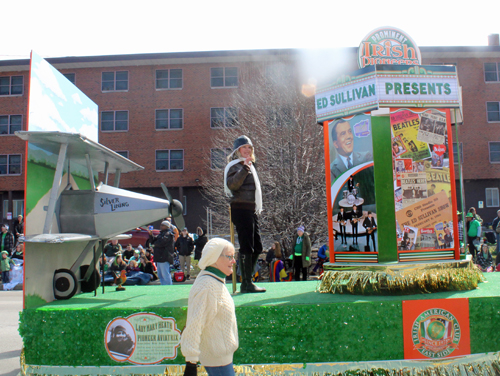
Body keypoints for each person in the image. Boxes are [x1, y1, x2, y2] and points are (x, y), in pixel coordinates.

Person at [180, 238, 238, 376]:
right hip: (218, 362)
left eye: (233, 257)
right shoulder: (207, 287)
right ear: (215, 258)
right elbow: (195, 324)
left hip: (221, 360)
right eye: (230, 257)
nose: (234, 261)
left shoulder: (215, 281)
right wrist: (191, 362)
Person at [225, 135, 265, 293]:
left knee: (258, 246)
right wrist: (245, 168)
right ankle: (246, 283)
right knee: (246, 246)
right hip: (240, 208)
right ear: (237, 150)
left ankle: (248, 280)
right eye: (244, 147)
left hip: (251, 209)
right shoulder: (234, 166)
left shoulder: (251, 165)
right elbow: (233, 185)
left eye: (250, 147)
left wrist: (248, 166)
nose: (247, 150)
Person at [149, 220, 175, 285]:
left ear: (166, 226)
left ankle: (168, 287)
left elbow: (162, 242)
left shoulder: (169, 234)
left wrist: (155, 244)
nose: (160, 226)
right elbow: (153, 240)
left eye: (162, 225)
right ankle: (163, 287)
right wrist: (150, 234)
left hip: (164, 257)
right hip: (159, 257)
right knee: (160, 275)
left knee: (165, 274)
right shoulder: (161, 234)